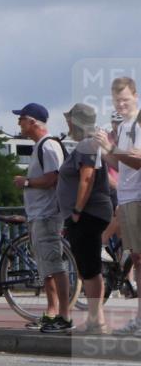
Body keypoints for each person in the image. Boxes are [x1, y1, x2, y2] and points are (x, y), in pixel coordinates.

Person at [12, 102, 72, 333]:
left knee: (54, 265)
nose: (19, 123)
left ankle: (63, 315)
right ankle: (52, 312)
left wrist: (26, 182)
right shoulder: (41, 146)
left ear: (32, 122)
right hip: (40, 214)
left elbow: (53, 178)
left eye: (21, 119)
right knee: (46, 266)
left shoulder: (48, 146)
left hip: (48, 214)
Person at [59, 104, 113, 334]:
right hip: (93, 212)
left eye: (69, 121)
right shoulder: (92, 143)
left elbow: (87, 178)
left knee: (89, 268)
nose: (67, 125)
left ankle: (96, 321)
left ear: (75, 122)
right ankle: (95, 319)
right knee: (89, 267)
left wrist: (77, 211)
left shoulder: (86, 145)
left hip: (88, 214)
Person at [95, 76, 141, 336]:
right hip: (127, 197)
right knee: (137, 259)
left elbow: (138, 161)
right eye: (116, 100)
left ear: (135, 95)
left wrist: (111, 148)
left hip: (138, 197)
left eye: (125, 99)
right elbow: (120, 164)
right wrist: (103, 150)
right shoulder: (123, 127)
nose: (121, 104)